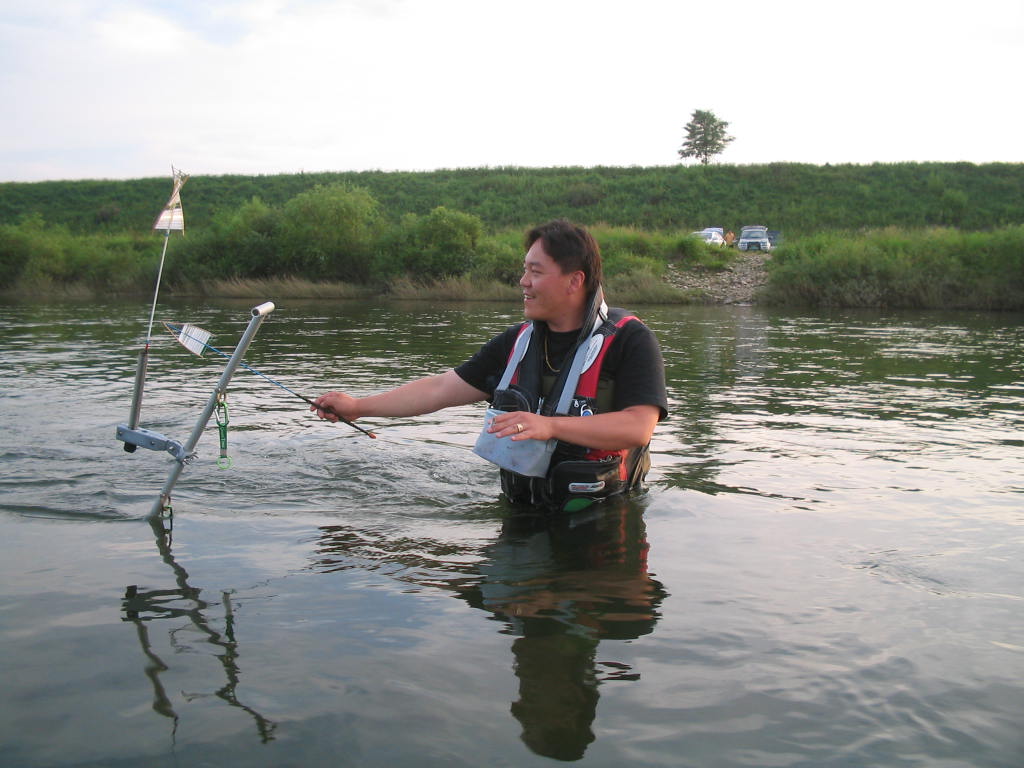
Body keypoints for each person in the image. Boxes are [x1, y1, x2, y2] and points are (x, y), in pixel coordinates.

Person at [312, 219, 668, 512]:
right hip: (522, 509)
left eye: (535, 271)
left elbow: (638, 427)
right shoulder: (515, 343)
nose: (523, 282)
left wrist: (548, 426)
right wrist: (358, 407)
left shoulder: (630, 340)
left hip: (605, 518)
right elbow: (439, 389)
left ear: (575, 280)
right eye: (524, 270)